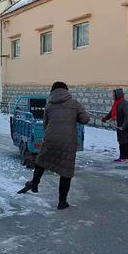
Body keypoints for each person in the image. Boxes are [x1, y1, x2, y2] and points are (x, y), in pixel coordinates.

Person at [18, 81, 90, 210]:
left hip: (50, 139)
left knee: (41, 161)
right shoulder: (74, 104)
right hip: (68, 142)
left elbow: (46, 123)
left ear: (53, 91)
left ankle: (34, 183)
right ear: (66, 91)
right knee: (65, 171)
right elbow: (85, 119)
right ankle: (62, 202)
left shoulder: (49, 105)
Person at [102, 88, 128, 163]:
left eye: (114, 95)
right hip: (121, 125)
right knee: (126, 141)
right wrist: (105, 118)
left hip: (126, 125)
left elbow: (127, 116)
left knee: (122, 141)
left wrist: (123, 126)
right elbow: (111, 113)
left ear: (118, 95)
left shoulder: (124, 103)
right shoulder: (117, 103)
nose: (113, 96)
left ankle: (123, 157)